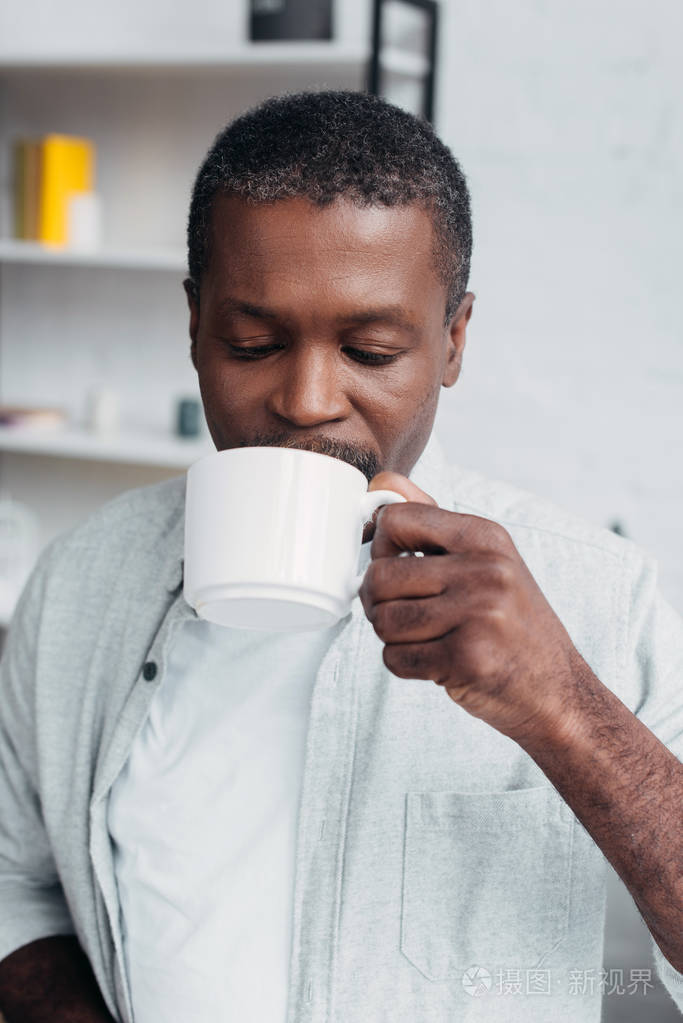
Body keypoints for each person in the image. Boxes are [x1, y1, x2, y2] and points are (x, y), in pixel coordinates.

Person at [0, 90, 681, 1023]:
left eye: (367, 348)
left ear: (452, 339)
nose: (307, 400)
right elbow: (16, 882)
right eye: (254, 343)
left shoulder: (601, 595)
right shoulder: (80, 581)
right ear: (195, 324)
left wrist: (561, 703)